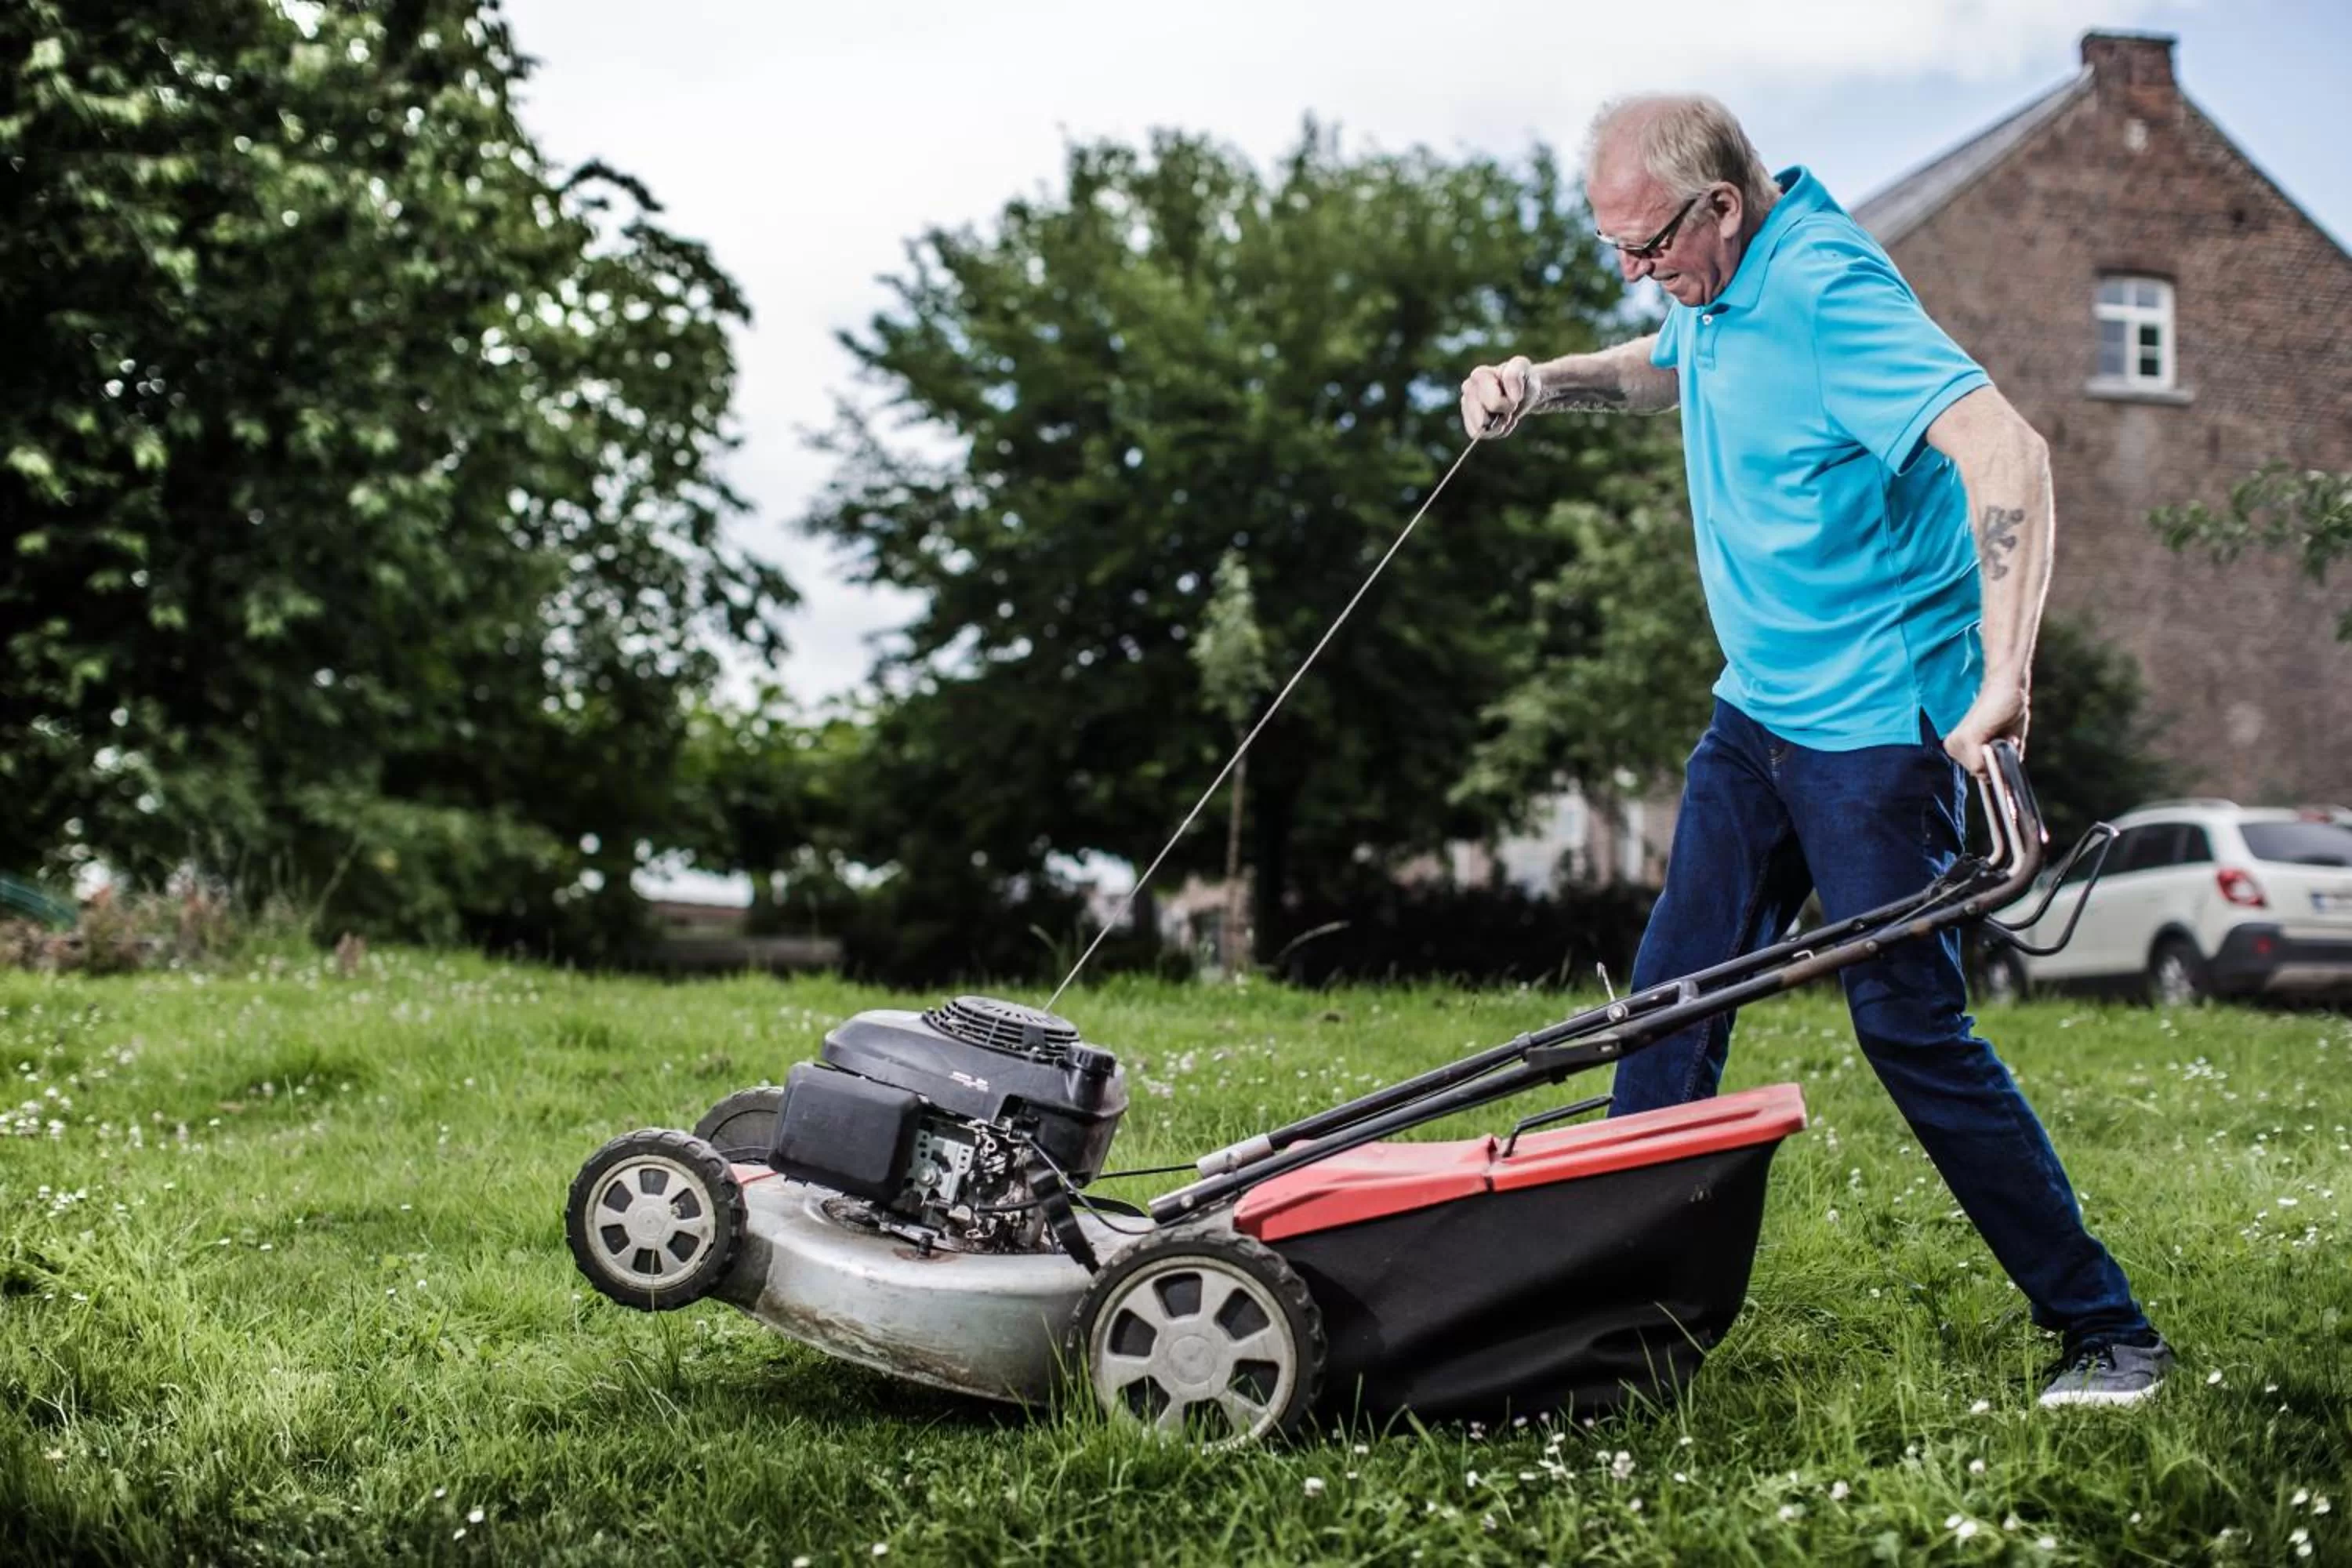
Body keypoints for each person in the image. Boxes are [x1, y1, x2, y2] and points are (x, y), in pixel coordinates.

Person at [1459, 94, 2172, 1408]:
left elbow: (2008, 451)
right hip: (1759, 717)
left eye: (1647, 245)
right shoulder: (1714, 283)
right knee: (1671, 1008)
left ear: (1720, 206)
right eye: (1616, 250)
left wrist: (2008, 675)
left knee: (1912, 1031)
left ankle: (2106, 1330)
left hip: (1878, 740)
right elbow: (1667, 354)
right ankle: (1611, 1334)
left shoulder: (1833, 293)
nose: (1636, 272)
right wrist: (1540, 384)